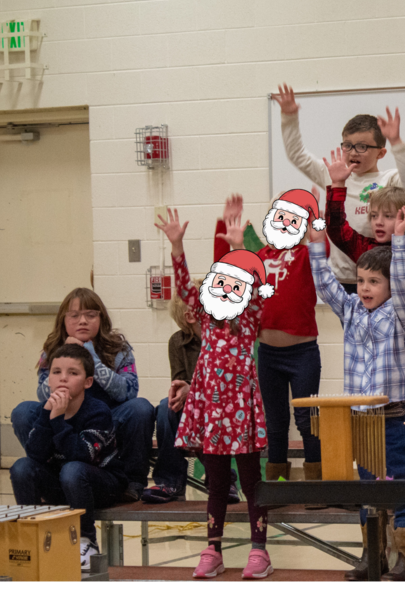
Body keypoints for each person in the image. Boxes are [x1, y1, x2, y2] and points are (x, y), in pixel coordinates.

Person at [155, 208, 275, 580]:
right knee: (217, 483)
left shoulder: (249, 320)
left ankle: (259, 551)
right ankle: (213, 548)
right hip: (211, 414)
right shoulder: (204, 319)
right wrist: (177, 245)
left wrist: (239, 249)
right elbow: (184, 285)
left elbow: (255, 289)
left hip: (241, 413)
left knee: (252, 482)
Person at [309, 206, 405, 582]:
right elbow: (326, 285)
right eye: (361, 281)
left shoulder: (401, 313)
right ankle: (372, 554)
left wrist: (402, 240)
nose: (365, 288)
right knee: (368, 489)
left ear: (389, 286)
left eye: (374, 281)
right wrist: (315, 244)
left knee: (400, 486)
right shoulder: (353, 311)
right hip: (361, 420)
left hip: (392, 418)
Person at [324, 154, 405, 465]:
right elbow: (337, 231)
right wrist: (338, 186)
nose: (378, 221)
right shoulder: (364, 247)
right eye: (375, 215)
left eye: (387, 216)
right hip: (370, 354)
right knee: (373, 428)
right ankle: (380, 485)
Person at [214, 192, 324, 484]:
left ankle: (317, 482)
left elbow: (322, 256)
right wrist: (236, 245)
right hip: (269, 355)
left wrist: (317, 233)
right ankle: (277, 482)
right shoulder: (261, 256)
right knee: (275, 422)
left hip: (302, 354)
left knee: (306, 419)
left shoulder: (306, 255)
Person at [10, 288, 154, 502]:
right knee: (22, 411)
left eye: (90, 315)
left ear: (101, 319)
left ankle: (133, 481)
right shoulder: (51, 351)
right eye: (74, 315)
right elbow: (43, 395)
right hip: (66, 414)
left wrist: (90, 358)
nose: (82, 321)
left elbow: (128, 392)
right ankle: (47, 468)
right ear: (64, 320)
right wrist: (66, 360)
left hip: (105, 419)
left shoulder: (118, 348)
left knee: (140, 408)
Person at [274, 83, 405, 293]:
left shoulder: (389, 179)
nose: (353, 152)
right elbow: (297, 155)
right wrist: (289, 117)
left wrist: (396, 142)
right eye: (348, 145)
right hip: (343, 277)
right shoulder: (333, 174)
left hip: (380, 276)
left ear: (380, 153)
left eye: (362, 146)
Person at [9, 343, 126, 572]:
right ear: (48, 380)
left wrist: (58, 421)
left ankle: (86, 541)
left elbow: (82, 456)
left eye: (73, 373)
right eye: (56, 372)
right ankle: (31, 535)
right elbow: (35, 454)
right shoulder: (44, 409)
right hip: (63, 483)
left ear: (87, 382)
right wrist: (47, 417)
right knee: (22, 466)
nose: (63, 379)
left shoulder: (97, 411)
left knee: (72, 469)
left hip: (101, 484)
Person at [143, 285, 239, 504]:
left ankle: (221, 478)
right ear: (191, 316)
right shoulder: (177, 342)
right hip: (198, 406)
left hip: (228, 407)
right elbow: (179, 381)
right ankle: (170, 481)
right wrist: (185, 391)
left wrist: (193, 389)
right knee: (167, 405)